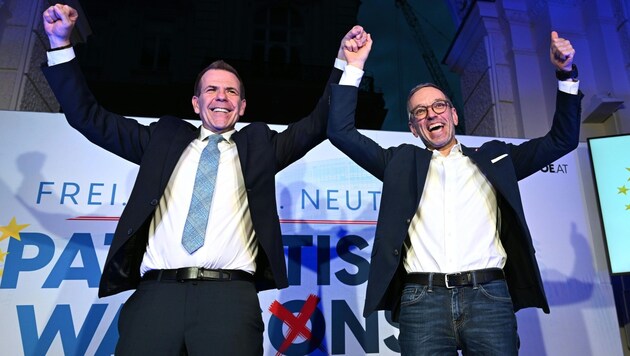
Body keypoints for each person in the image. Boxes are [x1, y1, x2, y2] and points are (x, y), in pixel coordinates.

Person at [41, 4, 367, 355]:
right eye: (212, 90)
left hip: (228, 300)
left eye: (230, 92)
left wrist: (346, 65)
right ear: (196, 103)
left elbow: (318, 123)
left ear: (242, 107)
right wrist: (60, 43)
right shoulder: (161, 140)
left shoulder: (259, 147)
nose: (221, 98)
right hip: (156, 297)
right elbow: (88, 117)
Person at [328, 30, 582, 355]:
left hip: (488, 297)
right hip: (422, 302)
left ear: (453, 115)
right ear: (413, 127)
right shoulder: (399, 163)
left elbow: (562, 140)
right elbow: (341, 132)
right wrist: (353, 67)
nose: (431, 113)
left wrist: (565, 74)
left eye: (438, 105)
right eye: (420, 112)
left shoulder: (496, 159)